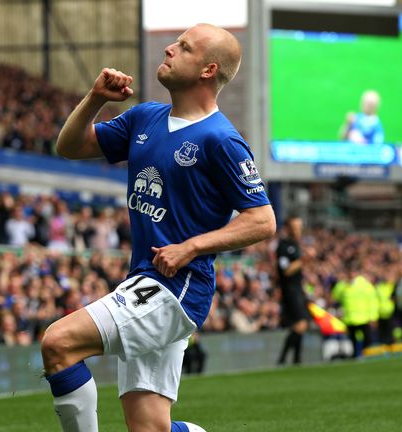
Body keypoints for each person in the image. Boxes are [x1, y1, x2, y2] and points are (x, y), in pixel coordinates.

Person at [41, 23, 275, 432]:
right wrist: (96, 97)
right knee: (149, 428)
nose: (168, 49)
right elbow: (70, 147)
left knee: (59, 343)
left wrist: (191, 247)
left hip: (176, 288)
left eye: (183, 47)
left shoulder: (222, 140)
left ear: (208, 70)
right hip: (146, 282)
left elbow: (262, 220)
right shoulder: (145, 117)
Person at [276, 216, 310, 366]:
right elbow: (286, 270)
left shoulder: (296, 245)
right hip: (290, 290)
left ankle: (295, 359)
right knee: (301, 324)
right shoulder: (284, 246)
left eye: (300, 226)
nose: (299, 230)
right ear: (288, 229)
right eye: (296, 227)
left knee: (300, 325)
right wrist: (303, 260)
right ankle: (284, 359)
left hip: (297, 288)